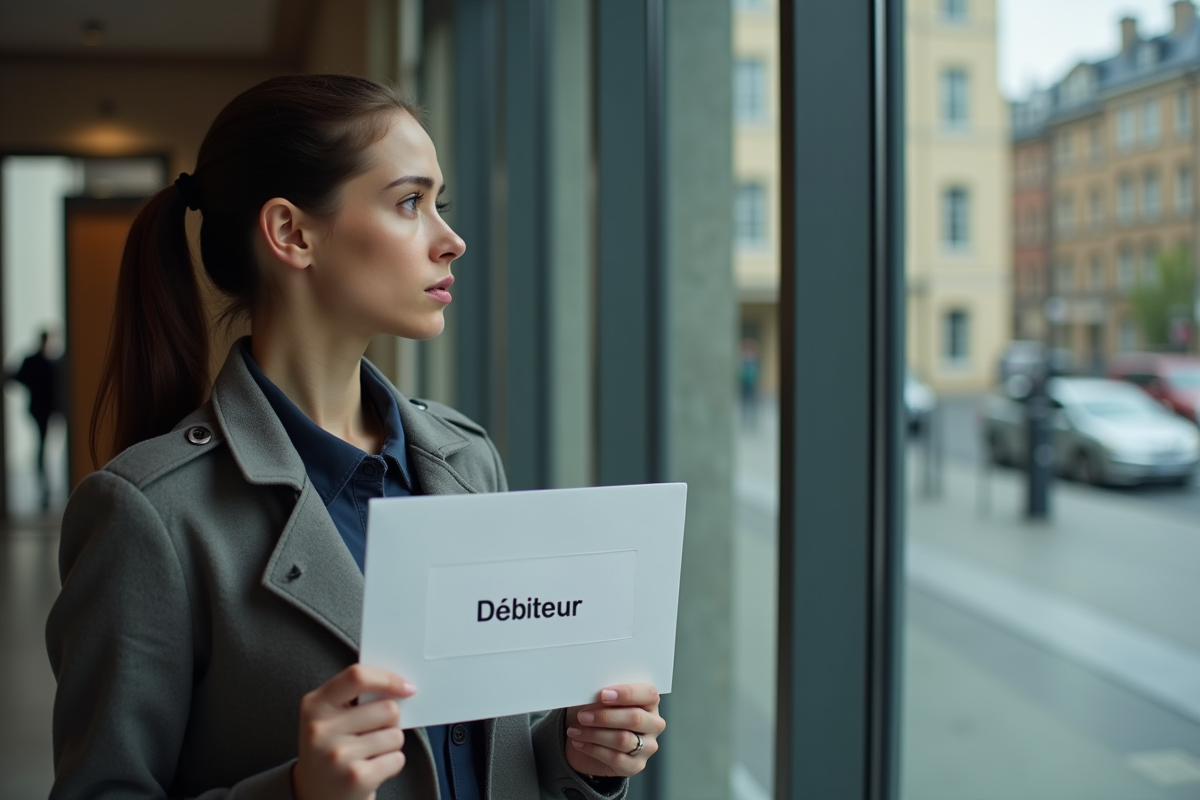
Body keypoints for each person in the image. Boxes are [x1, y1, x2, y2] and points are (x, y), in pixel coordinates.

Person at [45, 75, 665, 800]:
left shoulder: (467, 458)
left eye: (441, 204)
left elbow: (473, 755)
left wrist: (570, 752)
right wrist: (300, 790)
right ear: (293, 234)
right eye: (409, 203)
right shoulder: (148, 513)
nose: (451, 239)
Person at [8, 329, 61, 509]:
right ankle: (44, 487)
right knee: (41, 448)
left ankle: (43, 486)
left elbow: (15, 377)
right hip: (43, 411)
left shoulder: (35, 361)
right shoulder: (46, 363)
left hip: (40, 410)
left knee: (41, 448)